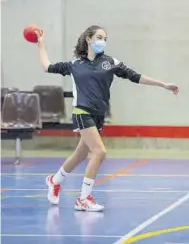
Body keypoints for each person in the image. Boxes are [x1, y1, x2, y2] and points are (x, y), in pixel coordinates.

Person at [36, 25, 179, 211]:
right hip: (82, 112)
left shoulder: (110, 62)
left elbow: (135, 76)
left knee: (80, 154)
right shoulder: (75, 64)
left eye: (105, 38)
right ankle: (83, 199)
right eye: (99, 37)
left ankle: (54, 180)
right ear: (88, 39)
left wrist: (163, 84)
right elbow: (47, 67)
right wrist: (41, 46)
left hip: (98, 115)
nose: (102, 41)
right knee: (100, 152)